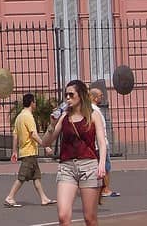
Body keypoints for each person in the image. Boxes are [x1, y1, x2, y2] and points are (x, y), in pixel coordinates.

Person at [42, 79, 107, 226]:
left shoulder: (92, 115)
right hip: (67, 167)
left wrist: (101, 163)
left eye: (71, 95)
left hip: (89, 166)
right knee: (63, 215)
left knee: (90, 218)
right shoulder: (64, 117)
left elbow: (102, 142)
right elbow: (45, 142)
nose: (68, 98)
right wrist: (51, 124)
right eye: (66, 95)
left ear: (81, 95)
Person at [4, 92, 56, 207]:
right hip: (29, 152)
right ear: (32, 103)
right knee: (22, 177)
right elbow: (33, 134)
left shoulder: (19, 117)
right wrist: (45, 145)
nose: (35, 104)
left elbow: (15, 135)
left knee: (36, 177)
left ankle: (44, 198)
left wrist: (14, 151)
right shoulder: (28, 116)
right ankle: (10, 197)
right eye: (34, 102)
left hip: (25, 151)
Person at [88, 87, 120, 201]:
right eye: (100, 95)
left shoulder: (93, 109)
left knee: (101, 167)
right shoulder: (94, 110)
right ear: (94, 97)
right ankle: (105, 189)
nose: (102, 97)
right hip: (100, 144)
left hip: (98, 143)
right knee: (105, 167)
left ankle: (100, 188)